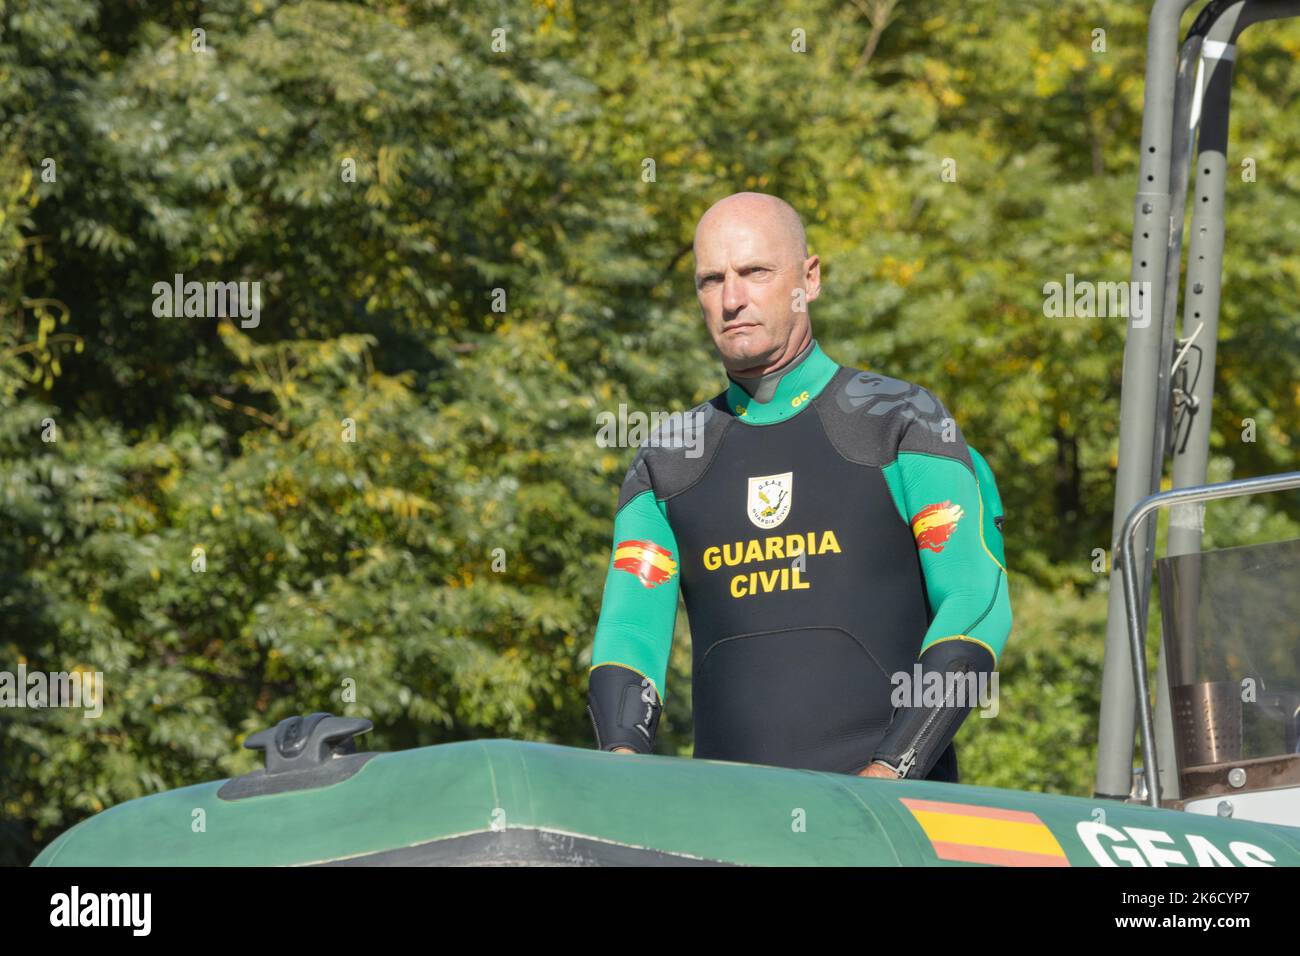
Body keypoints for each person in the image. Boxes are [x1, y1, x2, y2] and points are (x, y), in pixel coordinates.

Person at [585, 192, 1011, 781]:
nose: (732, 299)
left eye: (756, 272)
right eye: (711, 280)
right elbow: (630, 632)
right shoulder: (668, 461)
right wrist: (624, 773)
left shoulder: (900, 422)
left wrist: (890, 772)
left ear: (808, 279)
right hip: (729, 824)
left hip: (890, 818)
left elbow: (975, 604)